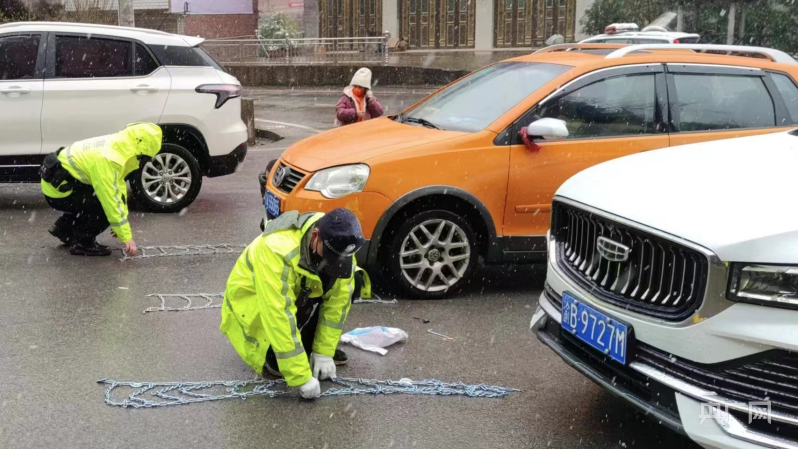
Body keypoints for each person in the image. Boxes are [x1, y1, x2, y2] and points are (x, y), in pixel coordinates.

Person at [220, 208, 371, 399]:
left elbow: (338, 301)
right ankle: (284, 354)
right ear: (315, 236)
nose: (334, 263)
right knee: (279, 363)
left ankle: (309, 348)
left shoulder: (342, 239)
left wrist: (323, 351)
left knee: (354, 280)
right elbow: (278, 314)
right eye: (330, 256)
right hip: (254, 303)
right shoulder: (276, 250)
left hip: (299, 290)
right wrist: (300, 376)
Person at [40, 123, 162, 257]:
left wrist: (122, 219)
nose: (142, 162)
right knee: (103, 207)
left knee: (95, 201)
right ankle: (83, 243)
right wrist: (126, 236)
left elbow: (118, 187)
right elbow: (110, 199)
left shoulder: (119, 144)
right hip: (59, 192)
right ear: (139, 150)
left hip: (60, 183)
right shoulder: (109, 159)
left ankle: (64, 230)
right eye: (143, 157)